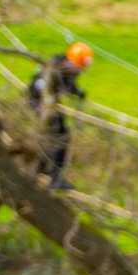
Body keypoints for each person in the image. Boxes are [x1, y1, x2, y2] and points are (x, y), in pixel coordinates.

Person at [26, 44, 93, 189]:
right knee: (59, 136)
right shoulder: (62, 69)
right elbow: (50, 86)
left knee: (56, 135)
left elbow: (67, 86)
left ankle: (43, 171)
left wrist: (77, 92)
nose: (79, 71)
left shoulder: (60, 64)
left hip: (44, 104)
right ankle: (53, 177)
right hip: (43, 105)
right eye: (79, 67)